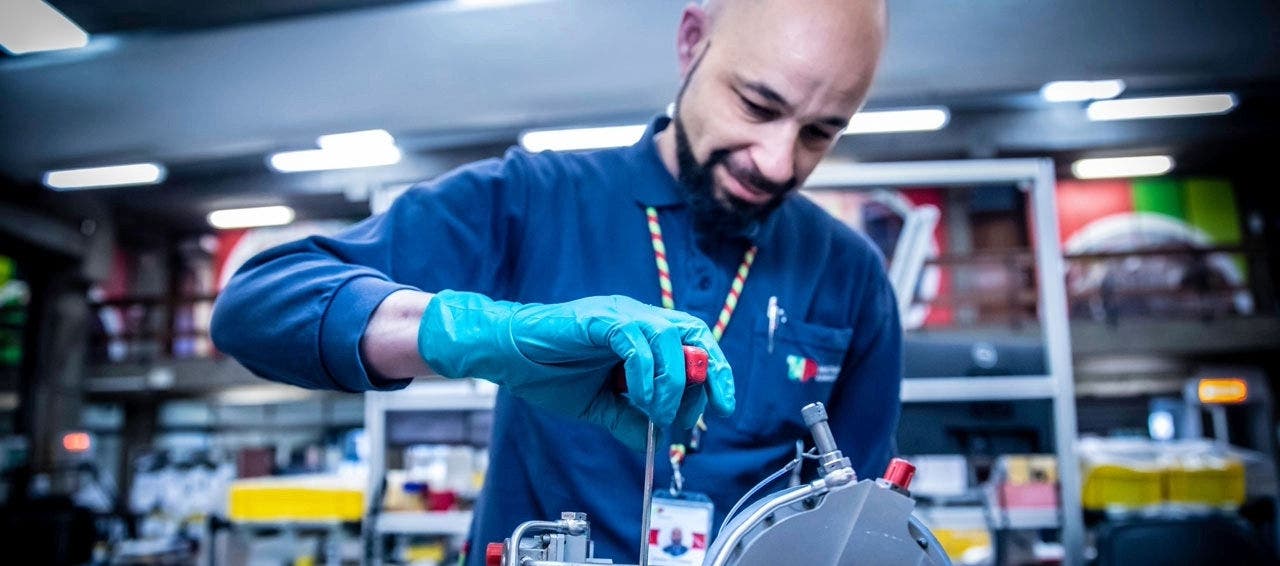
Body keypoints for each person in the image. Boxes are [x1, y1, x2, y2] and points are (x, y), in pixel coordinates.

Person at [210, 0, 899, 564]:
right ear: (692, 41)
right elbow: (257, 303)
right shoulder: (535, 198)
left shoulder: (850, 275)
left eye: (819, 134)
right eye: (756, 105)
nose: (778, 162)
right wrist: (474, 335)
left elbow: (857, 531)